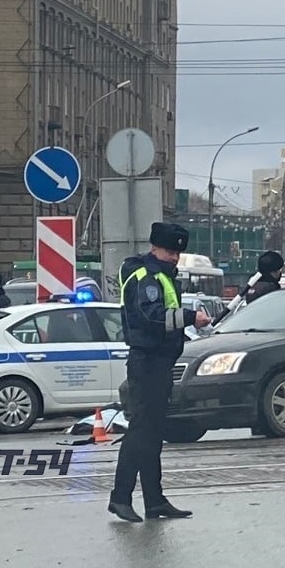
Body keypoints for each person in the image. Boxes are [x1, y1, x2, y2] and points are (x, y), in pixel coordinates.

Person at [108, 222, 210, 523]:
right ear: (155, 247)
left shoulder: (160, 274)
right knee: (141, 432)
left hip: (159, 362)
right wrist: (191, 317)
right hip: (148, 363)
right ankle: (120, 497)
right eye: (170, 251)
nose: (175, 257)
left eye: (178, 252)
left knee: (152, 435)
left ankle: (154, 501)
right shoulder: (147, 276)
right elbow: (151, 317)